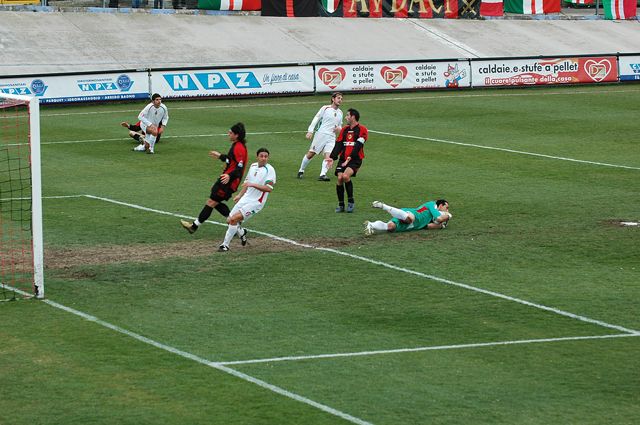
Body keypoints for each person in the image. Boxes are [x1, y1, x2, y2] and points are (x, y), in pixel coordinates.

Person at [181, 123, 249, 236]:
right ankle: (236, 226)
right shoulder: (236, 145)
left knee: (212, 202)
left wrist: (229, 176)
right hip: (226, 179)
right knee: (214, 201)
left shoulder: (239, 148)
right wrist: (220, 156)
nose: (228, 134)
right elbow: (230, 160)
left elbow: (239, 168)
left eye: (231, 132)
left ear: (237, 135)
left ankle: (194, 226)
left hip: (228, 182)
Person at [217, 147, 276, 252]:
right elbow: (247, 182)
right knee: (229, 220)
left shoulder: (270, 170)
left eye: (266, 156)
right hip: (246, 198)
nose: (263, 158)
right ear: (257, 157)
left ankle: (225, 245)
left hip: (256, 202)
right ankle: (242, 232)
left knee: (234, 219)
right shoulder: (253, 166)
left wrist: (252, 184)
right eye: (261, 156)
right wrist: (239, 195)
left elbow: (268, 189)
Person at [327, 108, 367, 213]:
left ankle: (351, 201)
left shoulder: (363, 129)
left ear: (353, 117)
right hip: (343, 159)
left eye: (347, 115)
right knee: (340, 178)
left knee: (345, 176)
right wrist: (332, 157)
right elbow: (339, 144)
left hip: (355, 159)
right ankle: (341, 205)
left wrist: (350, 157)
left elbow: (358, 145)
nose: (346, 117)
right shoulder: (344, 129)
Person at [297, 92, 343, 181]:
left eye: (341, 98)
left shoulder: (340, 113)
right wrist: (310, 131)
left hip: (332, 137)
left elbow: (340, 125)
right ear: (333, 99)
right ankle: (301, 170)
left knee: (329, 156)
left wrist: (339, 129)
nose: (340, 100)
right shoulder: (325, 108)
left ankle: (322, 174)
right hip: (321, 134)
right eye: (338, 98)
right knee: (311, 154)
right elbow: (316, 118)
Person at [364, 199, 452, 235]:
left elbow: (428, 226)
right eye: (446, 208)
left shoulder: (435, 215)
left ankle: (371, 225)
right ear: (440, 205)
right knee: (410, 219)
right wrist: (448, 216)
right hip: (411, 214)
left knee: (390, 227)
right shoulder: (432, 205)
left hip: (413, 226)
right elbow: (439, 219)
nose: (447, 210)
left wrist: (441, 226)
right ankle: (383, 206)